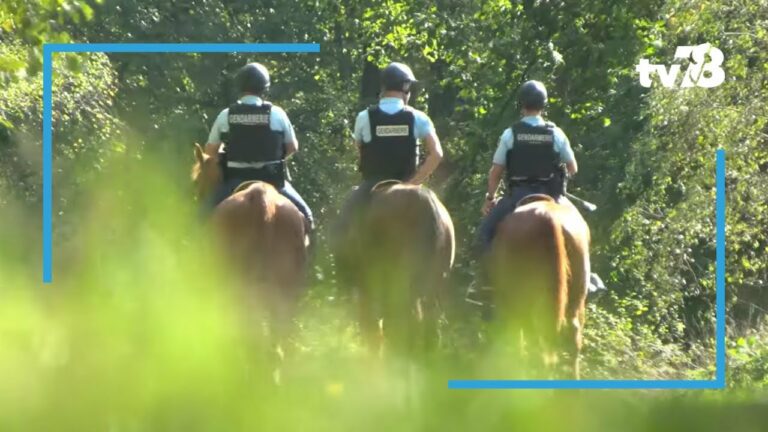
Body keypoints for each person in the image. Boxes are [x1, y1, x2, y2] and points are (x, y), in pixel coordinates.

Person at [467, 80, 577, 309]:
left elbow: (496, 171)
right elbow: (573, 167)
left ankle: (485, 283)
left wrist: (490, 197)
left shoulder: (511, 134)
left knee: (485, 233)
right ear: (544, 105)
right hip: (553, 196)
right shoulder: (556, 133)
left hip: (518, 195)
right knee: (580, 229)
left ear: (521, 105)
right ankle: (587, 278)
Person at [334, 62, 443, 236]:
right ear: (406, 87)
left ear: (383, 86)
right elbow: (437, 153)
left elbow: (360, 151)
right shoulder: (419, 117)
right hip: (407, 182)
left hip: (371, 186)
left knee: (342, 225)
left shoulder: (364, 118)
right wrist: (413, 182)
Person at [204, 62, 314, 232]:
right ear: (265, 88)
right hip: (273, 180)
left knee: (201, 219)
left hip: (234, 181)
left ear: (239, 87)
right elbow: (292, 147)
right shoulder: (278, 114)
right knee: (307, 217)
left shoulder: (226, 115)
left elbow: (210, 152)